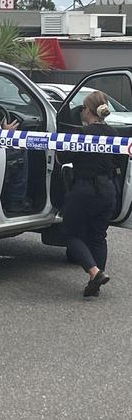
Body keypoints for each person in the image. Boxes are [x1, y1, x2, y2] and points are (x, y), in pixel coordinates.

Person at [61, 91, 117, 297]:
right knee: (98, 236)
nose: (82, 112)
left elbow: (62, 156)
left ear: (88, 111)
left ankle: (94, 273)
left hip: (85, 189)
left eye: (83, 108)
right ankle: (95, 282)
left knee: (70, 233)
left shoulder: (82, 134)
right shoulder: (113, 133)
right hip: (108, 189)